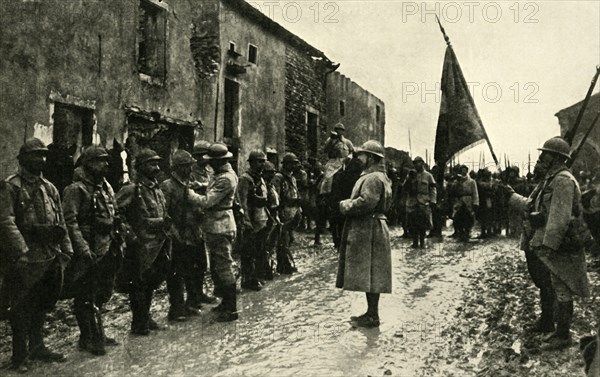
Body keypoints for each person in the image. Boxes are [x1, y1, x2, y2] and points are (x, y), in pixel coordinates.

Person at [506, 136, 590, 350]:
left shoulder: (562, 180)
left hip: (558, 246)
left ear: (556, 158)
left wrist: (548, 247)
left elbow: (559, 219)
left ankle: (562, 335)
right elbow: (533, 206)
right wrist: (511, 196)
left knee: (561, 288)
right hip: (549, 243)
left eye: (545, 154)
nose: (541, 158)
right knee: (554, 286)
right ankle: (553, 328)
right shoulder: (550, 180)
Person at [0, 138, 73, 372]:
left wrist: (67, 248)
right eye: (36, 156)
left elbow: (60, 221)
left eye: (43, 155)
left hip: (49, 254)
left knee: (42, 303)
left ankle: (38, 346)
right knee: (21, 307)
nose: (41, 160)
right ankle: (20, 357)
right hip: (24, 257)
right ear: (23, 160)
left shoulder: (49, 187)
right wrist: (21, 251)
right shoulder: (11, 186)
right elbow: (6, 221)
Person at [63, 146, 122, 356]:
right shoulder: (75, 189)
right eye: (100, 161)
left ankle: (98, 332)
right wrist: (82, 248)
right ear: (88, 164)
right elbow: (70, 221)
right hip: (89, 249)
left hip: (107, 245)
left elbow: (114, 213)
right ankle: (88, 336)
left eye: (106, 161)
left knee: (102, 292)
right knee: (85, 293)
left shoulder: (106, 186)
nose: (106, 165)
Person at [336, 140, 392, 328]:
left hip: (370, 227)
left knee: (372, 272)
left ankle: (373, 315)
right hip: (372, 226)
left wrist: (345, 205)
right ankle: (371, 313)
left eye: (362, 155)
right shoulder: (377, 176)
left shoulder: (373, 178)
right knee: (372, 273)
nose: (359, 158)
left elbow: (366, 202)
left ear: (371, 158)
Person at [117, 148, 172, 335]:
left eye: (157, 163)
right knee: (138, 285)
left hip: (158, 243)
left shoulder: (156, 188)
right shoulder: (132, 189)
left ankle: (145, 317)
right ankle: (139, 322)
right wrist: (129, 235)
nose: (156, 167)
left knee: (150, 283)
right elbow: (117, 214)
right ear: (140, 167)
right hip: (140, 245)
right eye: (151, 163)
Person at [160, 150, 208, 321]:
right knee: (176, 273)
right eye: (187, 165)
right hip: (178, 234)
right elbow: (165, 213)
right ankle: (176, 308)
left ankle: (192, 302)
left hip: (194, 232)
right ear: (178, 167)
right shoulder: (168, 186)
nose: (190, 168)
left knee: (197, 267)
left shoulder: (190, 183)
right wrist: (173, 233)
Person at [197, 143, 239, 322]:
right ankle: (225, 303)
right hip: (216, 225)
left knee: (223, 267)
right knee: (217, 265)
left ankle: (231, 308)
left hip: (220, 225)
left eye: (211, 161)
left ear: (219, 161)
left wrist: (188, 193)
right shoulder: (221, 175)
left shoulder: (226, 178)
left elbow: (208, 201)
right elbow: (211, 187)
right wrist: (200, 184)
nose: (209, 164)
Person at [238, 151, 269, 291]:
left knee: (260, 250)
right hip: (250, 220)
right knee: (248, 252)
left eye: (263, 161)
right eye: (259, 161)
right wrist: (245, 220)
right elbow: (242, 201)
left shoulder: (260, 178)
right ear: (251, 162)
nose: (262, 164)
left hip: (261, 219)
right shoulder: (245, 179)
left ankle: (258, 277)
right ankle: (248, 279)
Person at [272, 153, 302, 274]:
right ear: (286, 165)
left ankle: (285, 263)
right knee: (282, 240)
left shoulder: (292, 178)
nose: (295, 166)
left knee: (287, 239)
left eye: (295, 163)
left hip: (293, 212)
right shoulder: (278, 178)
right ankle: (283, 265)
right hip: (284, 211)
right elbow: (277, 197)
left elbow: (295, 192)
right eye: (292, 163)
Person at [405, 156, 437, 248]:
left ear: (422, 163)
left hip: (424, 202)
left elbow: (433, 189)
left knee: (423, 224)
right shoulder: (411, 174)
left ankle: (422, 243)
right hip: (412, 202)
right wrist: (410, 179)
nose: (416, 165)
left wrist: (433, 201)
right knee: (413, 224)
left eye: (418, 163)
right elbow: (405, 188)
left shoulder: (428, 176)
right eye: (414, 163)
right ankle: (415, 243)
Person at [451, 165, 479, 241]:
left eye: (465, 170)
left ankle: (467, 232)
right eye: (462, 170)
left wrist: (475, 202)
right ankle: (460, 232)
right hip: (459, 200)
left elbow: (475, 193)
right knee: (458, 217)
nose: (463, 171)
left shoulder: (471, 181)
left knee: (468, 217)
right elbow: (453, 191)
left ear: (467, 171)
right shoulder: (457, 181)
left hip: (468, 199)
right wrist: (456, 181)